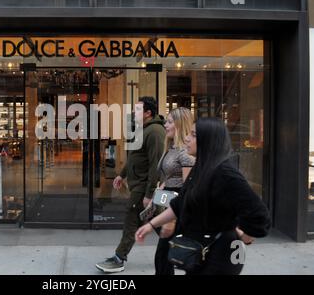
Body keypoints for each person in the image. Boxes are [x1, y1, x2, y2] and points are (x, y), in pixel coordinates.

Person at [135, 118, 271, 275]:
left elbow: (259, 216)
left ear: (208, 140)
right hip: (199, 253)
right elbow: (180, 203)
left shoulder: (225, 174)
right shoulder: (201, 167)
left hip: (220, 257)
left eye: (193, 135)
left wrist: (243, 235)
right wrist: (151, 225)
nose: (186, 138)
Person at [96, 96, 165, 273]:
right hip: (138, 185)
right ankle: (179, 247)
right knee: (159, 222)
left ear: (148, 113)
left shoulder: (156, 132)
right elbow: (135, 157)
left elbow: (155, 165)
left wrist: (149, 194)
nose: (135, 112)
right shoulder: (144, 129)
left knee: (131, 221)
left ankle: (119, 258)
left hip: (143, 187)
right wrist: (122, 175)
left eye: (139, 109)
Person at [154, 107, 195, 275]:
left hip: (177, 209)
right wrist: (163, 186)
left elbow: (187, 188)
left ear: (180, 124)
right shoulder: (171, 148)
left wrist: (172, 220)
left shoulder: (185, 154)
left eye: (170, 122)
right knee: (164, 258)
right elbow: (171, 176)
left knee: (163, 258)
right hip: (167, 201)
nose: (165, 125)